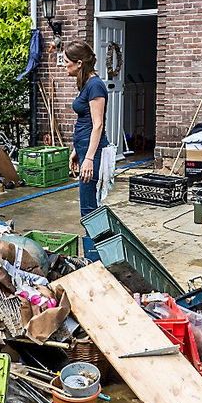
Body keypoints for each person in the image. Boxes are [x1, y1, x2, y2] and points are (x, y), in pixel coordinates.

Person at [64, 40, 112, 257]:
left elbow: (98, 124)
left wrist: (90, 158)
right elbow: (85, 122)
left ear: (79, 63)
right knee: (89, 205)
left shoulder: (95, 86)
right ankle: (99, 254)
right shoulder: (86, 84)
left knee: (88, 208)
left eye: (67, 62)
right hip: (84, 149)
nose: (63, 65)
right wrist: (78, 150)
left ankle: (96, 258)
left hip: (94, 152)